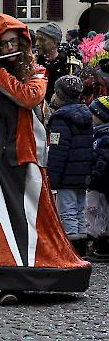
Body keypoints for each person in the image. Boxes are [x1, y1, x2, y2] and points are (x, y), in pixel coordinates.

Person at [0, 13, 91, 304]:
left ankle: (33, 268)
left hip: (24, 153)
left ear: (23, 44)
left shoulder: (37, 71)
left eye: (14, 42)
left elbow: (30, 97)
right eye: (3, 44)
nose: (8, 48)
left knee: (29, 214)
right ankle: (6, 278)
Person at [46, 75, 93, 256]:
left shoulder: (60, 119)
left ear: (58, 94)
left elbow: (58, 152)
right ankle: (82, 247)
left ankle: (72, 250)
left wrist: (53, 179)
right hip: (83, 174)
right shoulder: (87, 115)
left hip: (66, 176)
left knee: (68, 212)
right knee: (80, 210)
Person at [87, 96, 109, 261]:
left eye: (92, 112)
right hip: (101, 184)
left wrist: (93, 178)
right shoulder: (99, 134)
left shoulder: (104, 138)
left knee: (101, 216)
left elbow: (103, 163)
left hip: (103, 184)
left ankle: (103, 249)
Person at [36, 22, 67, 103]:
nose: (37, 44)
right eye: (37, 39)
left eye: (42, 40)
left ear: (55, 43)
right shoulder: (34, 62)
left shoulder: (67, 65)